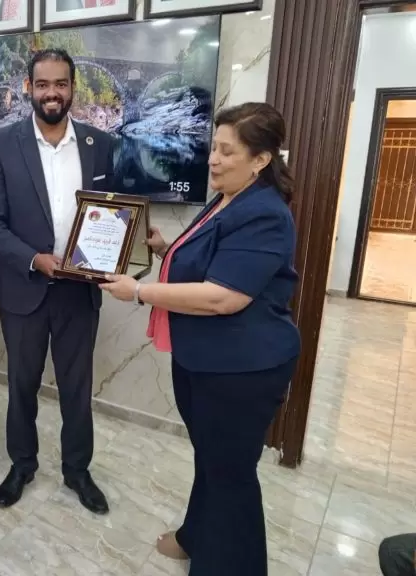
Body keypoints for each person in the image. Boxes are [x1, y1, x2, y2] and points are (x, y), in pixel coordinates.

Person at [100, 102, 301, 575]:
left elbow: (223, 297)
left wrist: (139, 291)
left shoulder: (265, 214)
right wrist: (166, 249)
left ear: (260, 159)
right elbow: (214, 257)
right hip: (205, 359)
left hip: (243, 368)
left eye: (227, 152)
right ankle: (197, 536)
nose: (213, 159)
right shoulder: (228, 197)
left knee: (231, 477)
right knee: (212, 460)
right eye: (214, 147)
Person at [0, 48, 114, 514]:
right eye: (42, 84)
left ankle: (78, 470)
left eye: (60, 84)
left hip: (80, 291)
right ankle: (22, 465)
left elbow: (113, 214)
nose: (51, 93)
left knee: (77, 389)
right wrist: (34, 259)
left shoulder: (99, 144)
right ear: (28, 89)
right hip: (25, 288)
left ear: (73, 88)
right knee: (21, 386)